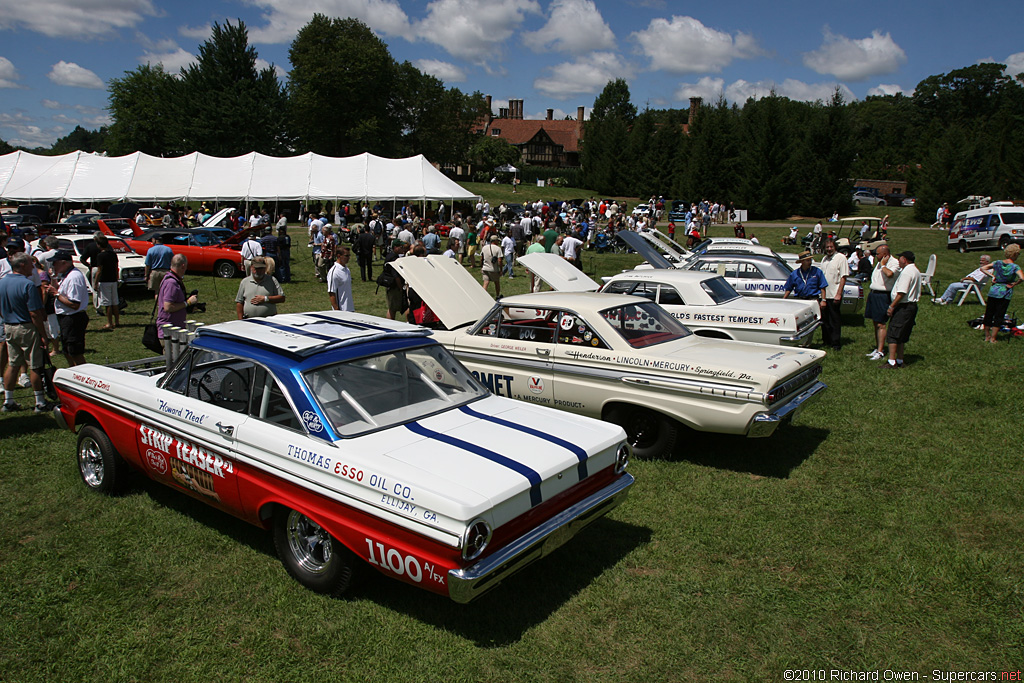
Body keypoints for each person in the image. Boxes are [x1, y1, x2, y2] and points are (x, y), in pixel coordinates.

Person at [0, 253, 52, 413]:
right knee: (35, 365)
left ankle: (8, 400)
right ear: (22, 265)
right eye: (30, 263)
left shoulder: (2, 282)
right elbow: (35, 313)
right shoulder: (27, 285)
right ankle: (40, 402)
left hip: (9, 325)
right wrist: (43, 335)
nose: (33, 267)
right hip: (26, 327)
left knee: (13, 363)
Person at [49, 250, 89, 366]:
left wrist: (56, 294)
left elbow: (74, 304)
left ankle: (82, 372)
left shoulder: (74, 278)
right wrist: (53, 277)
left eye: (55, 263)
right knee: (67, 349)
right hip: (66, 318)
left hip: (73, 318)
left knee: (75, 351)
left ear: (64, 263)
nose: (53, 266)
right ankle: (73, 370)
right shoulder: (66, 275)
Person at [882, 251, 922, 368]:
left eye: (900, 258)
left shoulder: (907, 272)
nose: (898, 261)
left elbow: (901, 292)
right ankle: (899, 359)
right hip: (911, 307)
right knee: (902, 334)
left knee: (893, 333)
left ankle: (892, 361)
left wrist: (892, 306)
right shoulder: (915, 270)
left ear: (904, 259)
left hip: (904, 307)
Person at [980, 244, 1023, 343]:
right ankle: (993, 338)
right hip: (1005, 292)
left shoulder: (997, 263)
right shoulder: (1015, 267)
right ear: (1015, 254)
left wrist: (992, 276)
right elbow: (1022, 278)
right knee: (999, 314)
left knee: (989, 313)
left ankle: (987, 335)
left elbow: (983, 268)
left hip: (994, 290)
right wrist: (1014, 284)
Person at [864, 245, 899, 360]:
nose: (875, 256)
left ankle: (880, 351)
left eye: (877, 254)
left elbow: (890, 274)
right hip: (874, 293)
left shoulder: (893, 263)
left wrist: (883, 265)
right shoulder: (880, 262)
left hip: (883, 295)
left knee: (881, 324)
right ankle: (878, 347)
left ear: (885, 254)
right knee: (875, 322)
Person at [819, 238, 849, 351]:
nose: (829, 249)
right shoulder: (824, 259)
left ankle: (835, 342)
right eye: (827, 247)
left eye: (831, 247)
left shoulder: (841, 258)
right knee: (824, 320)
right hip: (824, 295)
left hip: (834, 293)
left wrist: (839, 293)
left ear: (835, 247)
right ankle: (826, 340)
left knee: (834, 320)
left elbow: (843, 277)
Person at [93, 233, 119, 330]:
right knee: (115, 301)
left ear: (99, 245)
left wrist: (96, 282)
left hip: (105, 280)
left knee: (107, 303)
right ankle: (117, 321)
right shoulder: (113, 254)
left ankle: (109, 323)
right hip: (113, 279)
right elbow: (116, 266)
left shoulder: (100, 256)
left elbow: (99, 270)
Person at [382, 242, 409, 320]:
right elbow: (396, 275)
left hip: (390, 285)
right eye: (401, 247)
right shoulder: (394, 258)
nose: (402, 248)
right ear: (395, 247)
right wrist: (400, 287)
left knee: (392, 307)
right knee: (392, 308)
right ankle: (390, 323)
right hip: (394, 286)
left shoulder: (390, 256)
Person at [327, 246, 353, 312]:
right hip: (341, 310)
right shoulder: (334, 272)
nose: (348, 258)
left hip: (350, 309)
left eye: (349, 255)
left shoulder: (347, 270)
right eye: (346, 256)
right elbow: (331, 293)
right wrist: (337, 310)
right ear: (339, 256)